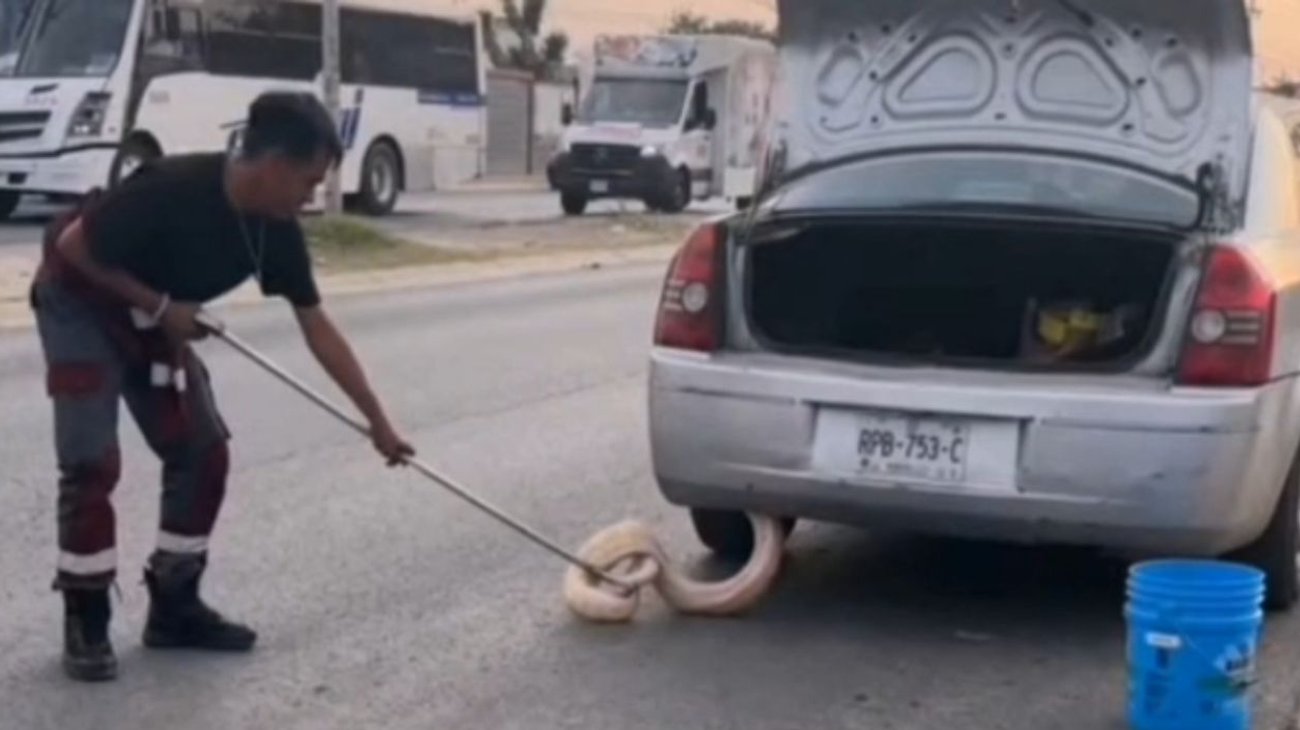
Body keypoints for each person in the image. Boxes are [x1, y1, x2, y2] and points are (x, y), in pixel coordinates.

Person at [29, 91, 415, 682]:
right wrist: (160, 305)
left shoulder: (275, 229)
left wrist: (379, 425)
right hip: (81, 300)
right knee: (91, 460)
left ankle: (175, 607)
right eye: (308, 181)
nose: (310, 197)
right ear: (274, 165)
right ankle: (85, 615)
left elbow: (317, 326)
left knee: (201, 448)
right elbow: (72, 247)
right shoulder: (169, 188)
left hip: (159, 316)